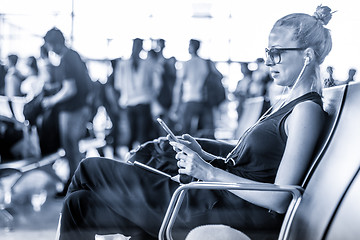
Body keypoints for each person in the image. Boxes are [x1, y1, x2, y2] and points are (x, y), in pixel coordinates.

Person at [58, 5, 333, 240]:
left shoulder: (306, 110)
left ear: (306, 55)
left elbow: (281, 197)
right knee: (79, 204)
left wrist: (207, 172)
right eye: (267, 52)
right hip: (213, 199)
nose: (268, 60)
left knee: (89, 167)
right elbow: (255, 170)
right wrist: (205, 156)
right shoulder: (287, 103)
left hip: (224, 210)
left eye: (277, 52)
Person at [41, 27, 91, 196]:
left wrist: (51, 100)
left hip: (72, 110)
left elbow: (71, 89)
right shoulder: (73, 56)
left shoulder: (67, 58)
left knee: (71, 147)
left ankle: (74, 184)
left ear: (53, 43)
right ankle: (76, 182)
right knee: (73, 147)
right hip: (80, 107)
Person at [114, 38, 158, 151]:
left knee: (142, 134)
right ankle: (132, 158)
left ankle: (141, 159)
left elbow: (155, 83)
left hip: (142, 101)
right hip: (130, 102)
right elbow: (118, 85)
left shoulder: (148, 63)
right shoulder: (123, 64)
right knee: (133, 133)